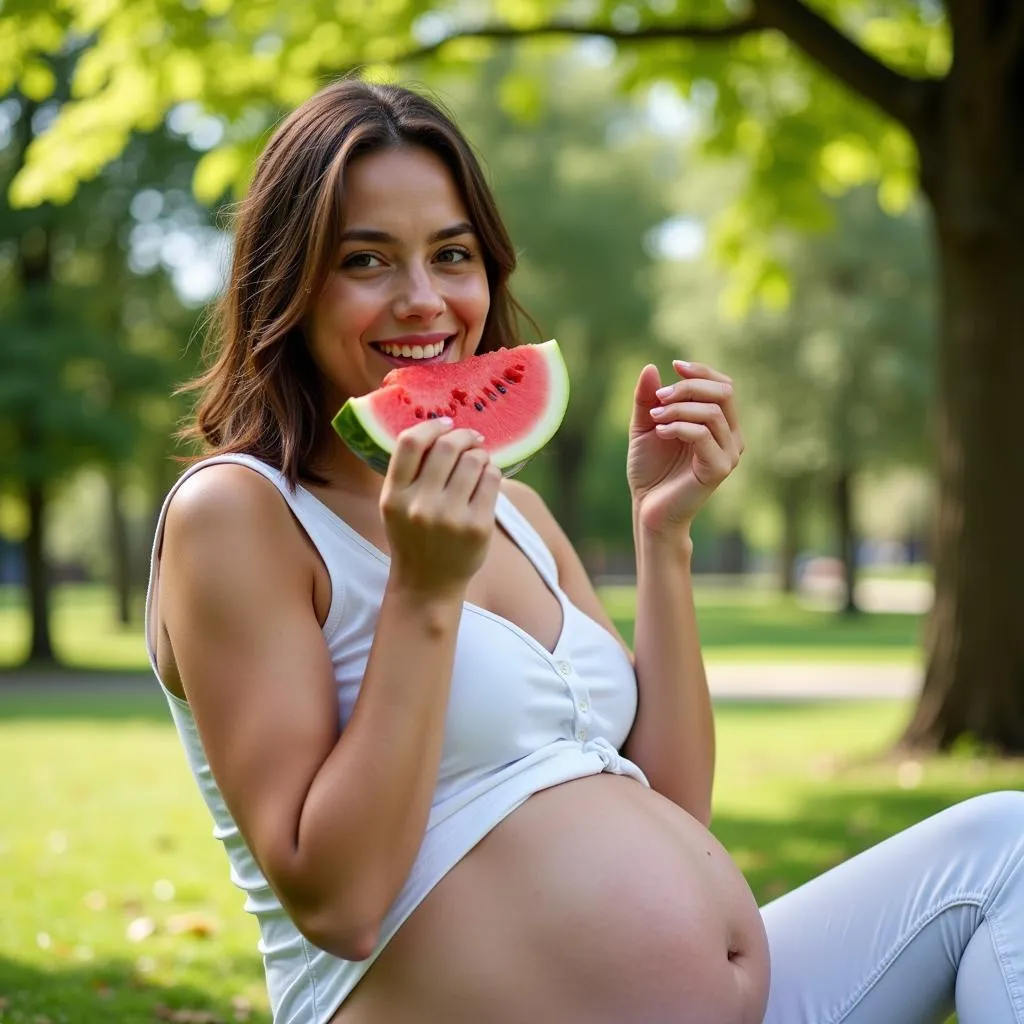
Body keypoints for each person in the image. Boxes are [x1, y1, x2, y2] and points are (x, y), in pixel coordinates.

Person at [145, 78, 1024, 1024]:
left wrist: (664, 538)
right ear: (287, 283)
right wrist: (424, 597)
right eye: (367, 260)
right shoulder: (239, 514)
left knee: (1006, 846)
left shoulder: (518, 511)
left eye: (453, 254)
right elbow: (339, 903)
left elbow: (676, 810)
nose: (424, 299)